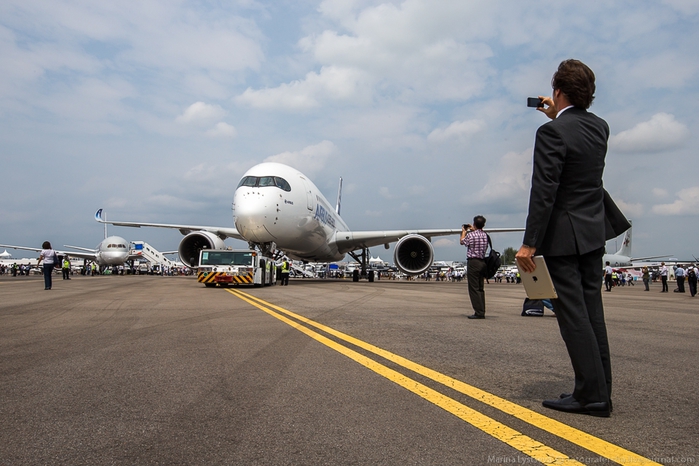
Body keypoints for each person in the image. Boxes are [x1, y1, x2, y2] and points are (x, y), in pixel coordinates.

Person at [515, 59, 630, 418]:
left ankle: (589, 396)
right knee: (592, 312)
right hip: (593, 233)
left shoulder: (552, 134)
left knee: (572, 315)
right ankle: (599, 390)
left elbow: (545, 190)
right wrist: (559, 116)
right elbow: (578, 154)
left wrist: (529, 243)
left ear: (557, 92)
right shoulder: (600, 128)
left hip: (564, 236)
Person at [460, 215, 488, 319]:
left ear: (474, 224)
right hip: (482, 262)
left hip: (473, 262)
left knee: (474, 288)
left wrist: (464, 231)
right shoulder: (485, 235)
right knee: (480, 288)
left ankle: (478, 312)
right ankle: (482, 310)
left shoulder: (471, 235)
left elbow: (462, 241)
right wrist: (474, 228)